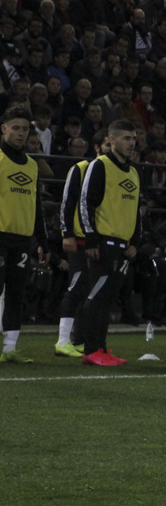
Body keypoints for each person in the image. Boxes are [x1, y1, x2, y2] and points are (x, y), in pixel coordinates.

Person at [77, 119, 142, 366]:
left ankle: (100, 348)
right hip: (103, 243)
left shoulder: (133, 172)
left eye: (133, 138)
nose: (131, 143)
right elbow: (86, 203)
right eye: (126, 138)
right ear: (112, 140)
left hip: (124, 246)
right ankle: (90, 349)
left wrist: (135, 240)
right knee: (96, 297)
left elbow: (136, 210)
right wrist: (91, 238)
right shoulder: (100, 166)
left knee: (107, 299)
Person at [0, 107, 48, 363]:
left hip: (21, 238)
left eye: (25, 129)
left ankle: (10, 349)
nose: (20, 133)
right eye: (15, 128)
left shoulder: (31, 165)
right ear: (4, 129)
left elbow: (36, 206)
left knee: (17, 292)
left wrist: (42, 240)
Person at [54, 129, 106, 357]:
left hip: (100, 239)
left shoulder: (113, 172)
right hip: (79, 237)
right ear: (97, 147)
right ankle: (62, 341)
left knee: (92, 290)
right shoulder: (81, 169)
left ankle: (79, 339)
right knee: (77, 285)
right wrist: (67, 232)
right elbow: (68, 202)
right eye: (106, 145)